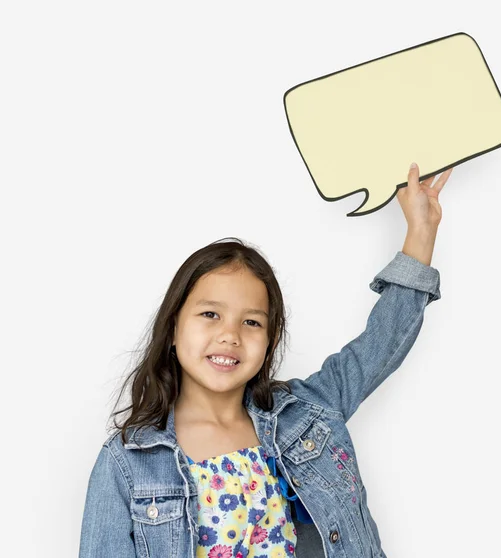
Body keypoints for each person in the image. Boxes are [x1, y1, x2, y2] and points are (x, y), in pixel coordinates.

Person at [79, 161, 454, 558]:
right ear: (173, 327)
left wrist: (421, 231)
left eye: (252, 322)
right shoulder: (127, 464)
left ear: (270, 339)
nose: (230, 334)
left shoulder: (308, 412)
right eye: (210, 314)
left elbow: (379, 346)